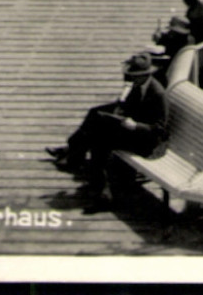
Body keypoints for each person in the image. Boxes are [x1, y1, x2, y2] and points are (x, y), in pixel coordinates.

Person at [46, 52, 167, 199]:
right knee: (96, 116)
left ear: (144, 75)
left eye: (133, 76)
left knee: (100, 135)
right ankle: (94, 179)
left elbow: (160, 129)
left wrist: (136, 126)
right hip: (131, 128)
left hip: (147, 141)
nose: (129, 79)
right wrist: (121, 106)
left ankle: (80, 161)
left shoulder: (157, 93)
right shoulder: (139, 84)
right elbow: (130, 106)